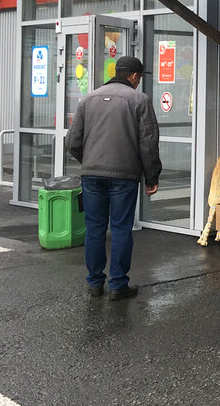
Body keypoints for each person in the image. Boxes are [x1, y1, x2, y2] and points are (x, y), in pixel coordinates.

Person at [66, 56, 161, 301]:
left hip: (91, 175)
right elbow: (148, 143)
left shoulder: (89, 99)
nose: (139, 82)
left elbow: (72, 142)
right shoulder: (140, 100)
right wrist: (151, 177)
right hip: (124, 175)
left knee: (94, 228)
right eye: (139, 78)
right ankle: (118, 284)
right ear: (134, 76)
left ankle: (94, 283)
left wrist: (89, 161)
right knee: (120, 228)